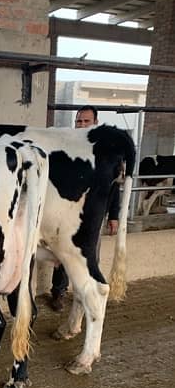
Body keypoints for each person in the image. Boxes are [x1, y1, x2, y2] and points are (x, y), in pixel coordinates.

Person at [49, 105, 120, 312]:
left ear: (95, 123)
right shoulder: (67, 149)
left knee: (91, 256)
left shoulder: (106, 153)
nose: (81, 125)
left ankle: (85, 292)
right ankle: (59, 292)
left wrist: (113, 215)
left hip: (93, 215)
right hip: (67, 214)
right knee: (62, 255)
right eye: (78, 121)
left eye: (86, 121)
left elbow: (114, 188)